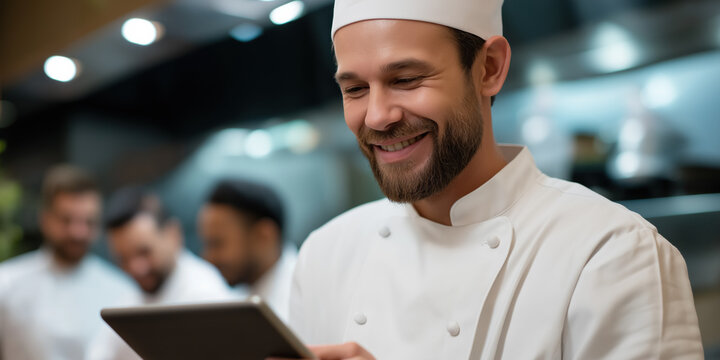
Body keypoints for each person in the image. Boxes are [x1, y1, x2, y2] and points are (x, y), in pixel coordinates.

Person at [281, 0, 704, 359]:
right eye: (354, 89)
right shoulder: (326, 256)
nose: (376, 115)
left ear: (489, 68)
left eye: (406, 80)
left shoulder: (612, 253)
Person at [0, 165, 135, 360]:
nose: (77, 232)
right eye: (67, 220)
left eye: (88, 222)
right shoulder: (6, 283)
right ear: (45, 219)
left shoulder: (122, 290)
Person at [85, 187, 231, 360]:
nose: (136, 268)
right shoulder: (132, 298)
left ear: (173, 235)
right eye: (123, 259)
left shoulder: (206, 295)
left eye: (144, 252)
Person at [198, 179, 297, 321]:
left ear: (264, 236)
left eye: (217, 244)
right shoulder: (236, 295)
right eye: (206, 244)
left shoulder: (306, 298)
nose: (208, 257)